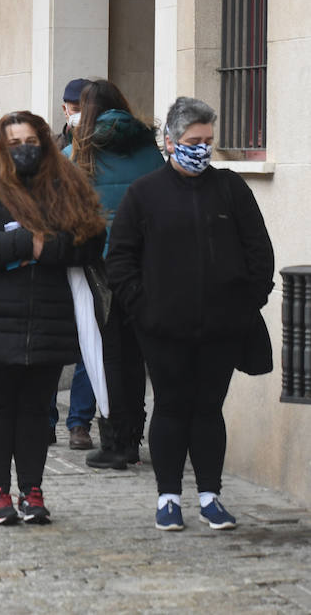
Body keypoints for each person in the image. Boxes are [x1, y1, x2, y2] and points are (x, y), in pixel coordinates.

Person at [107, 97, 274, 532]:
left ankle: (210, 496)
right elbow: (121, 259)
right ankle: (168, 498)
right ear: (170, 141)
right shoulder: (144, 194)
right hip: (162, 329)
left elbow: (259, 251)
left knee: (208, 410)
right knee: (170, 408)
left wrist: (246, 303)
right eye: (192, 140)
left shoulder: (231, 189)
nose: (201, 148)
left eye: (208, 141)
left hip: (222, 327)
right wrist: (142, 308)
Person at [0, 110, 107, 526]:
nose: (24, 150)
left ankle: (33, 490)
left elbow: (91, 241)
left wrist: (46, 249)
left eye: (30, 142)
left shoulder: (67, 185)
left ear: (44, 142)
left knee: (36, 410)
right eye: (14, 144)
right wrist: (27, 242)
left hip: (50, 316)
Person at [61, 79, 166, 463]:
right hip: (147, 261)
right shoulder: (149, 148)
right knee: (140, 352)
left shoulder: (80, 152)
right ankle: (137, 435)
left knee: (110, 354)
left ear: (85, 112)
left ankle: (118, 442)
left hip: (100, 265)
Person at [56, 77, 87, 151]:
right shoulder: (52, 145)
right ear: (65, 109)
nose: (82, 115)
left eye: (87, 110)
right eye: (76, 109)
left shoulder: (103, 144)